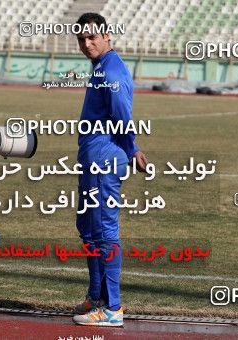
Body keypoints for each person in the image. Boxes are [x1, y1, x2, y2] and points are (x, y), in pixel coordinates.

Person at [72, 13, 148, 327]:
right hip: (93, 158)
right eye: (81, 39)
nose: (87, 44)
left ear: (107, 37)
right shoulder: (101, 67)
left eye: (92, 38)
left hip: (105, 160)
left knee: (104, 232)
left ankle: (113, 308)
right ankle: (96, 297)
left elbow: (121, 115)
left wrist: (131, 148)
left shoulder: (112, 69)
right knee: (88, 230)